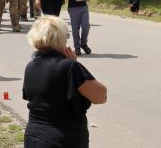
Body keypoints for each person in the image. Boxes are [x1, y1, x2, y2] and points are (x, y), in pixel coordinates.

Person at [22, 16, 107, 147]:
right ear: (59, 39)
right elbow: (101, 96)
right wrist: (75, 66)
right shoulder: (70, 67)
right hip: (63, 139)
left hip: (33, 137)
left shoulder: (31, 66)